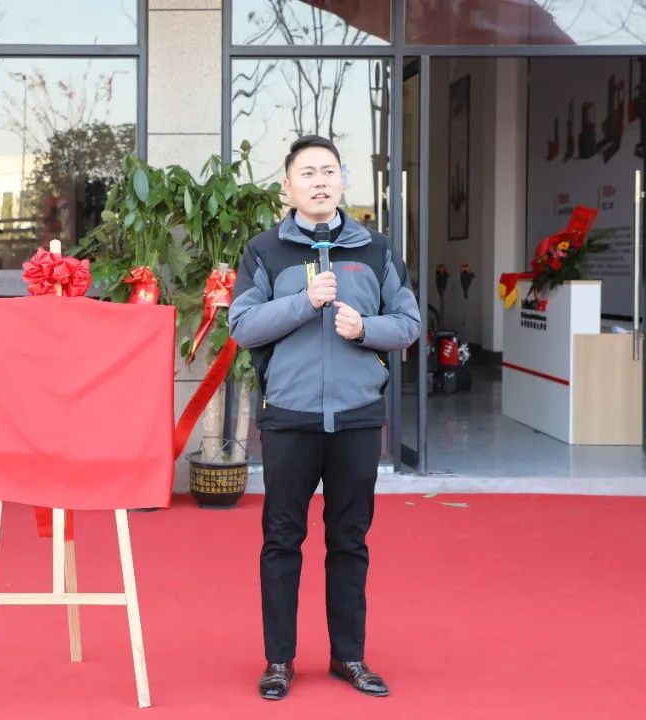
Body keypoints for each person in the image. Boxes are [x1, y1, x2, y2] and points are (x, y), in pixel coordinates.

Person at [229, 135, 421, 701]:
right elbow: (242, 327)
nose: (319, 181)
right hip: (289, 417)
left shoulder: (376, 249)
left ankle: (349, 656)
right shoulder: (265, 251)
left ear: (342, 181)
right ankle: (279, 661)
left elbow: (408, 323)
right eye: (308, 172)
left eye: (329, 171)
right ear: (287, 187)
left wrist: (365, 329)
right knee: (281, 540)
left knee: (350, 540)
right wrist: (305, 301)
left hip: (356, 417)